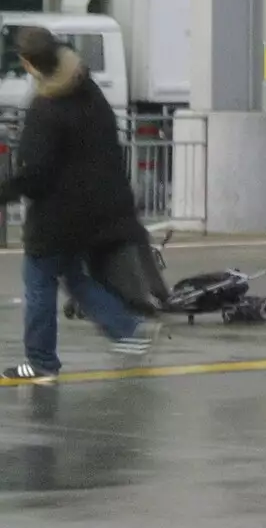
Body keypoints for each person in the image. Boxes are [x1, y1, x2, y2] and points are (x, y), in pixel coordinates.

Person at [0, 28, 161, 382]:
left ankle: (41, 362)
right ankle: (128, 330)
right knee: (74, 276)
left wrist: (6, 190)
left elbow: (36, 173)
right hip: (90, 212)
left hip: (55, 215)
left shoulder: (46, 108)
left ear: (29, 63)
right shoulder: (88, 89)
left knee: (38, 280)